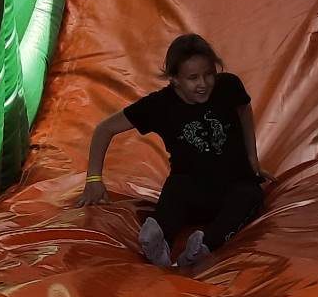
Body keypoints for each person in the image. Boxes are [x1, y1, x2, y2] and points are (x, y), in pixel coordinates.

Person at [80, 33, 271, 268]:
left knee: (251, 196)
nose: (203, 84)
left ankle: (204, 245)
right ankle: (159, 238)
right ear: (174, 79)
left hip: (234, 182)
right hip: (191, 186)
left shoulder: (228, 86)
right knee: (176, 193)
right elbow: (105, 128)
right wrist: (94, 179)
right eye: (193, 78)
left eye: (209, 74)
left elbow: (243, 109)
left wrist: (252, 158)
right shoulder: (160, 105)